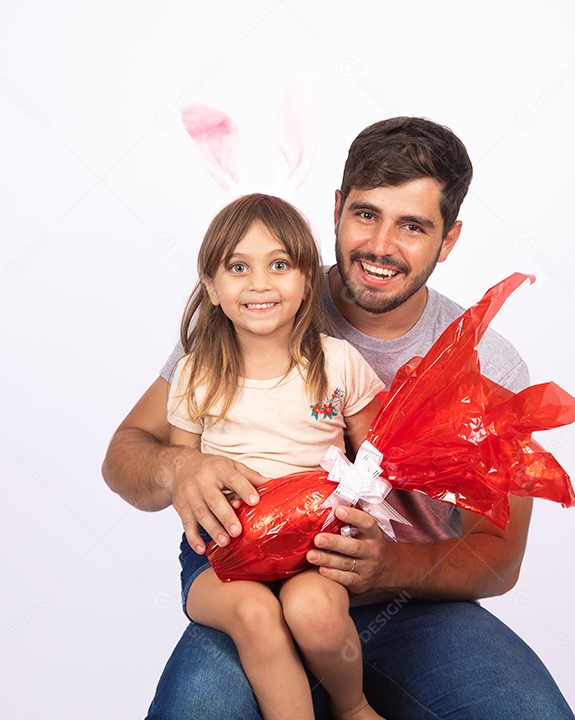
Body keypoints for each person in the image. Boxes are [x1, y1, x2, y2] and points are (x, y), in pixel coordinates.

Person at [103, 116, 575, 719]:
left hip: (412, 609)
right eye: (366, 214)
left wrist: (386, 567)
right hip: (257, 593)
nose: (380, 245)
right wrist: (175, 467)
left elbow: (498, 556)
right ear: (335, 209)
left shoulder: (486, 364)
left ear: (449, 240)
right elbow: (125, 453)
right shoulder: (254, 311)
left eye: (412, 226)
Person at [168, 192, 386, 720]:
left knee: (314, 611)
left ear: (308, 279)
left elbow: (379, 453)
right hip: (221, 554)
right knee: (256, 613)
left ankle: (352, 706)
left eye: (280, 264)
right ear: (212, 288)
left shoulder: (338, 362)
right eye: (238, 267)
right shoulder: (195, 373)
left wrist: (361, 509)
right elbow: (183, 477)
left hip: (315, 546)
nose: (260, 283)